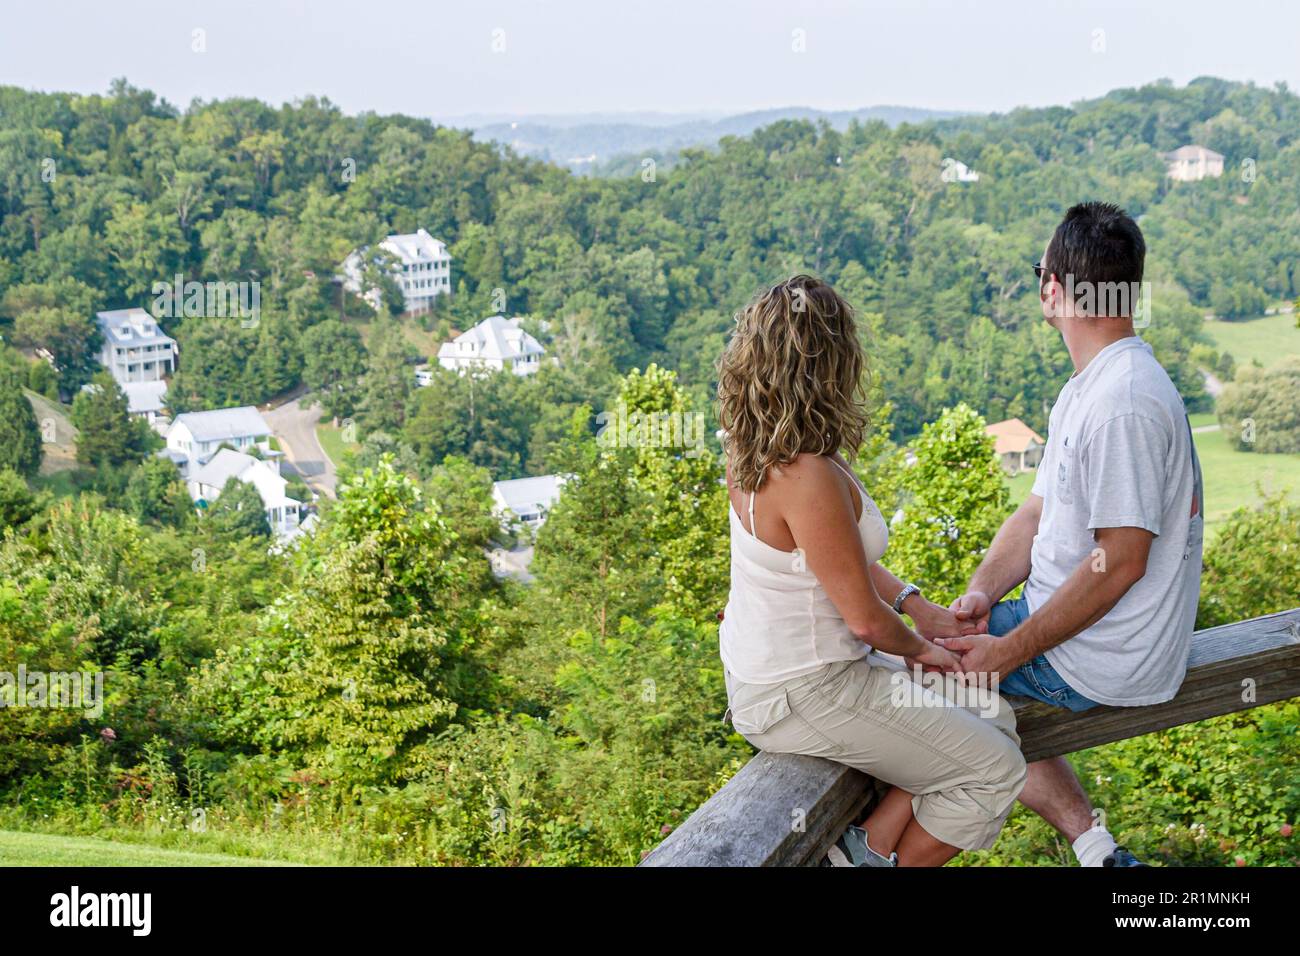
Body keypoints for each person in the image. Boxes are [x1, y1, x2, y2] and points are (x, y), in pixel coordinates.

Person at [716, 274, 1026, 867]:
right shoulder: (805, 475)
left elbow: (834, 563)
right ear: (832, 363)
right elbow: (862, 620)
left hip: (802, 671)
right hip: (806, 688)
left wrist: (914, 604)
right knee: (995, 771)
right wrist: (927, 651)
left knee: (996, 714)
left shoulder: (756, 444)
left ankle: (868, 846)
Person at [940, 201, 1204, 868]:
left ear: (1052, 289)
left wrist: (1005, 651)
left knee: (910, 683)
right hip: (1073, 628)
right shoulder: (1092, 386)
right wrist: (980, 594)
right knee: (939, 647)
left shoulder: (1124, 403)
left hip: (1101, 657)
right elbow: (1034, 516)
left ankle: (871, 853)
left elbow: (1119, 565)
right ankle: (1098, 852)